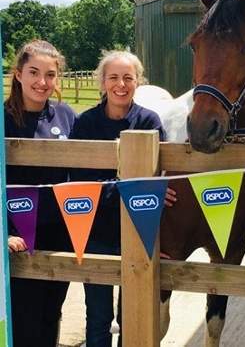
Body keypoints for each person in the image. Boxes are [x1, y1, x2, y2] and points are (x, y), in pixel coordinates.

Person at [69, 50, 166, 347]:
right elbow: (76, 182)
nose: (120, 84)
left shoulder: (149, 120)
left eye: (128, 77)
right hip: (95, 231)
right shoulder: (85, 123)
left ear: (138, 82)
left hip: (138, 232)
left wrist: (107, 188)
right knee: (97, 316)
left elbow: (161, 177)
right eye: (113, 77)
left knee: (134, 314)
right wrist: (126, 187)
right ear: (102, 81)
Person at [5, 39, 76, 346]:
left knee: (51, 313)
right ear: (18, 74)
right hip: (17, 238)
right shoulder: (3, 119)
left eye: (50, 74)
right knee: (24, 319)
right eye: (34, 72)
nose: (42, 82)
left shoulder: (66, 116)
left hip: (61, 233)